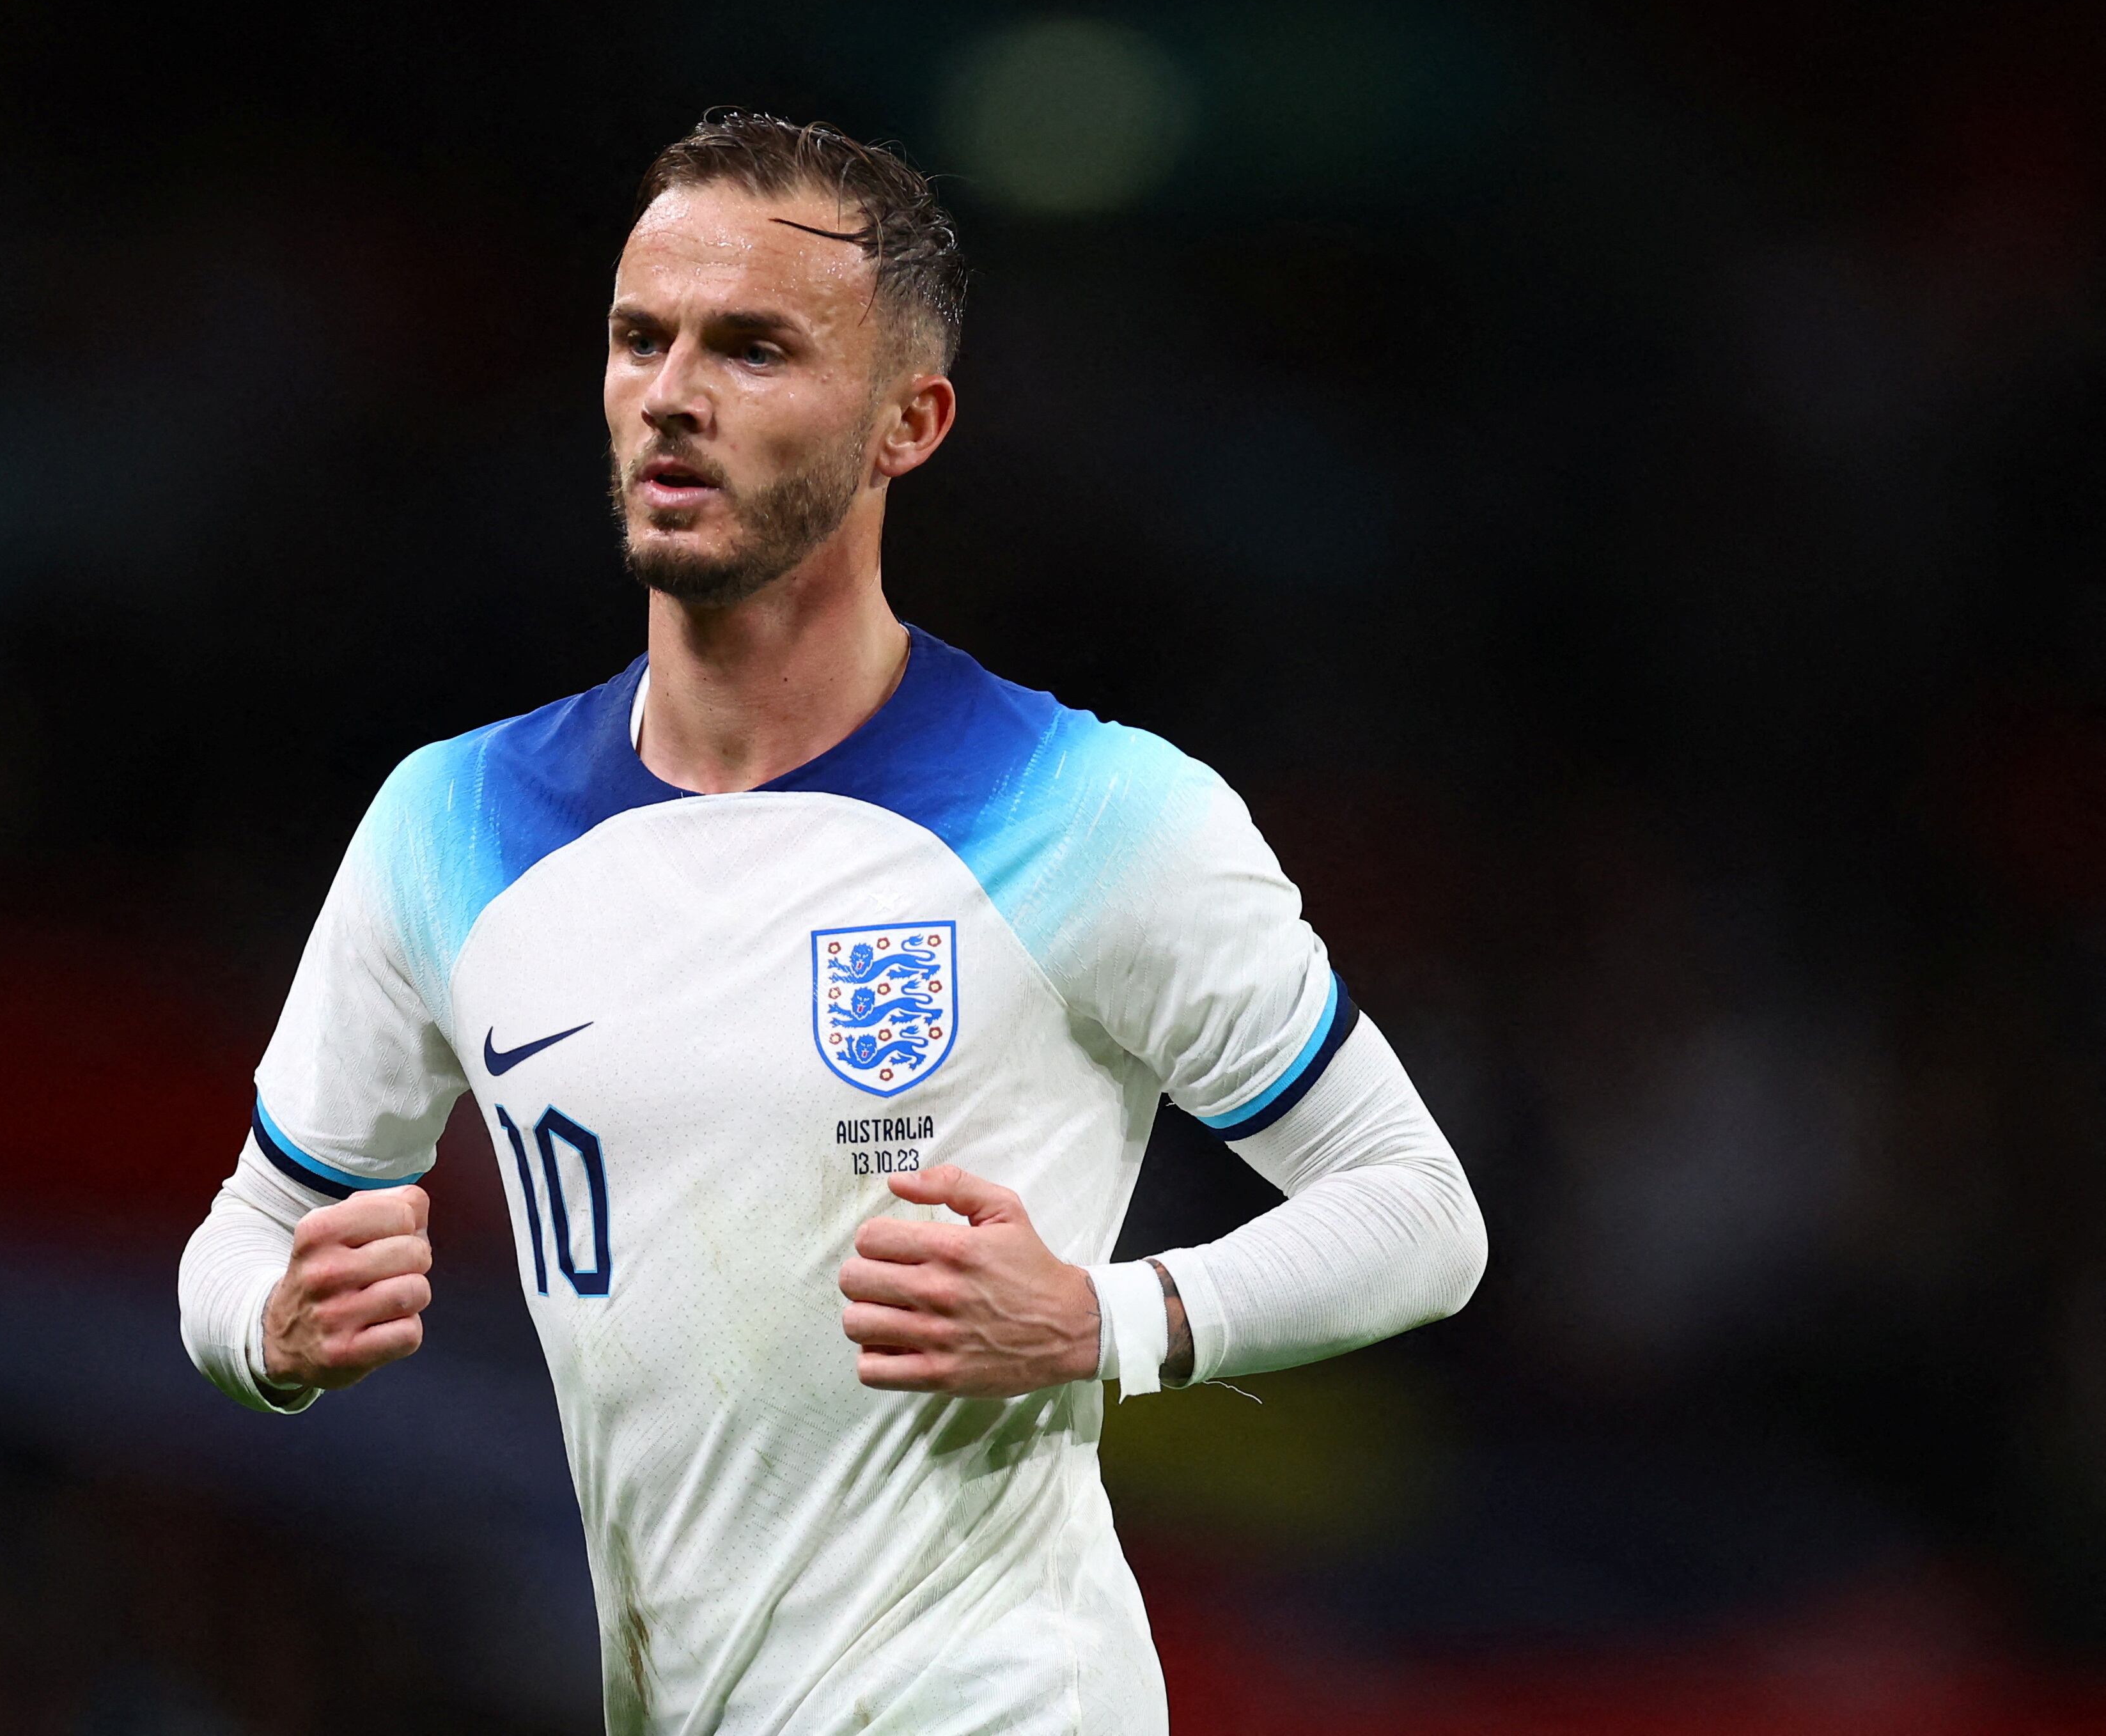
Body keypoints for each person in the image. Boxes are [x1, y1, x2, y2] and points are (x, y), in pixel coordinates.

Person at [179, 112, 1487, 1735]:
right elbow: (244, 1235)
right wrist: (270, 1331)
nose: (672, 392)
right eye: (638, 337)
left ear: (904, 423)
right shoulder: (448, 826)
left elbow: (1420, 1213)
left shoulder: (1094, 813)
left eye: (753, 348)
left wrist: (1107, 1319)